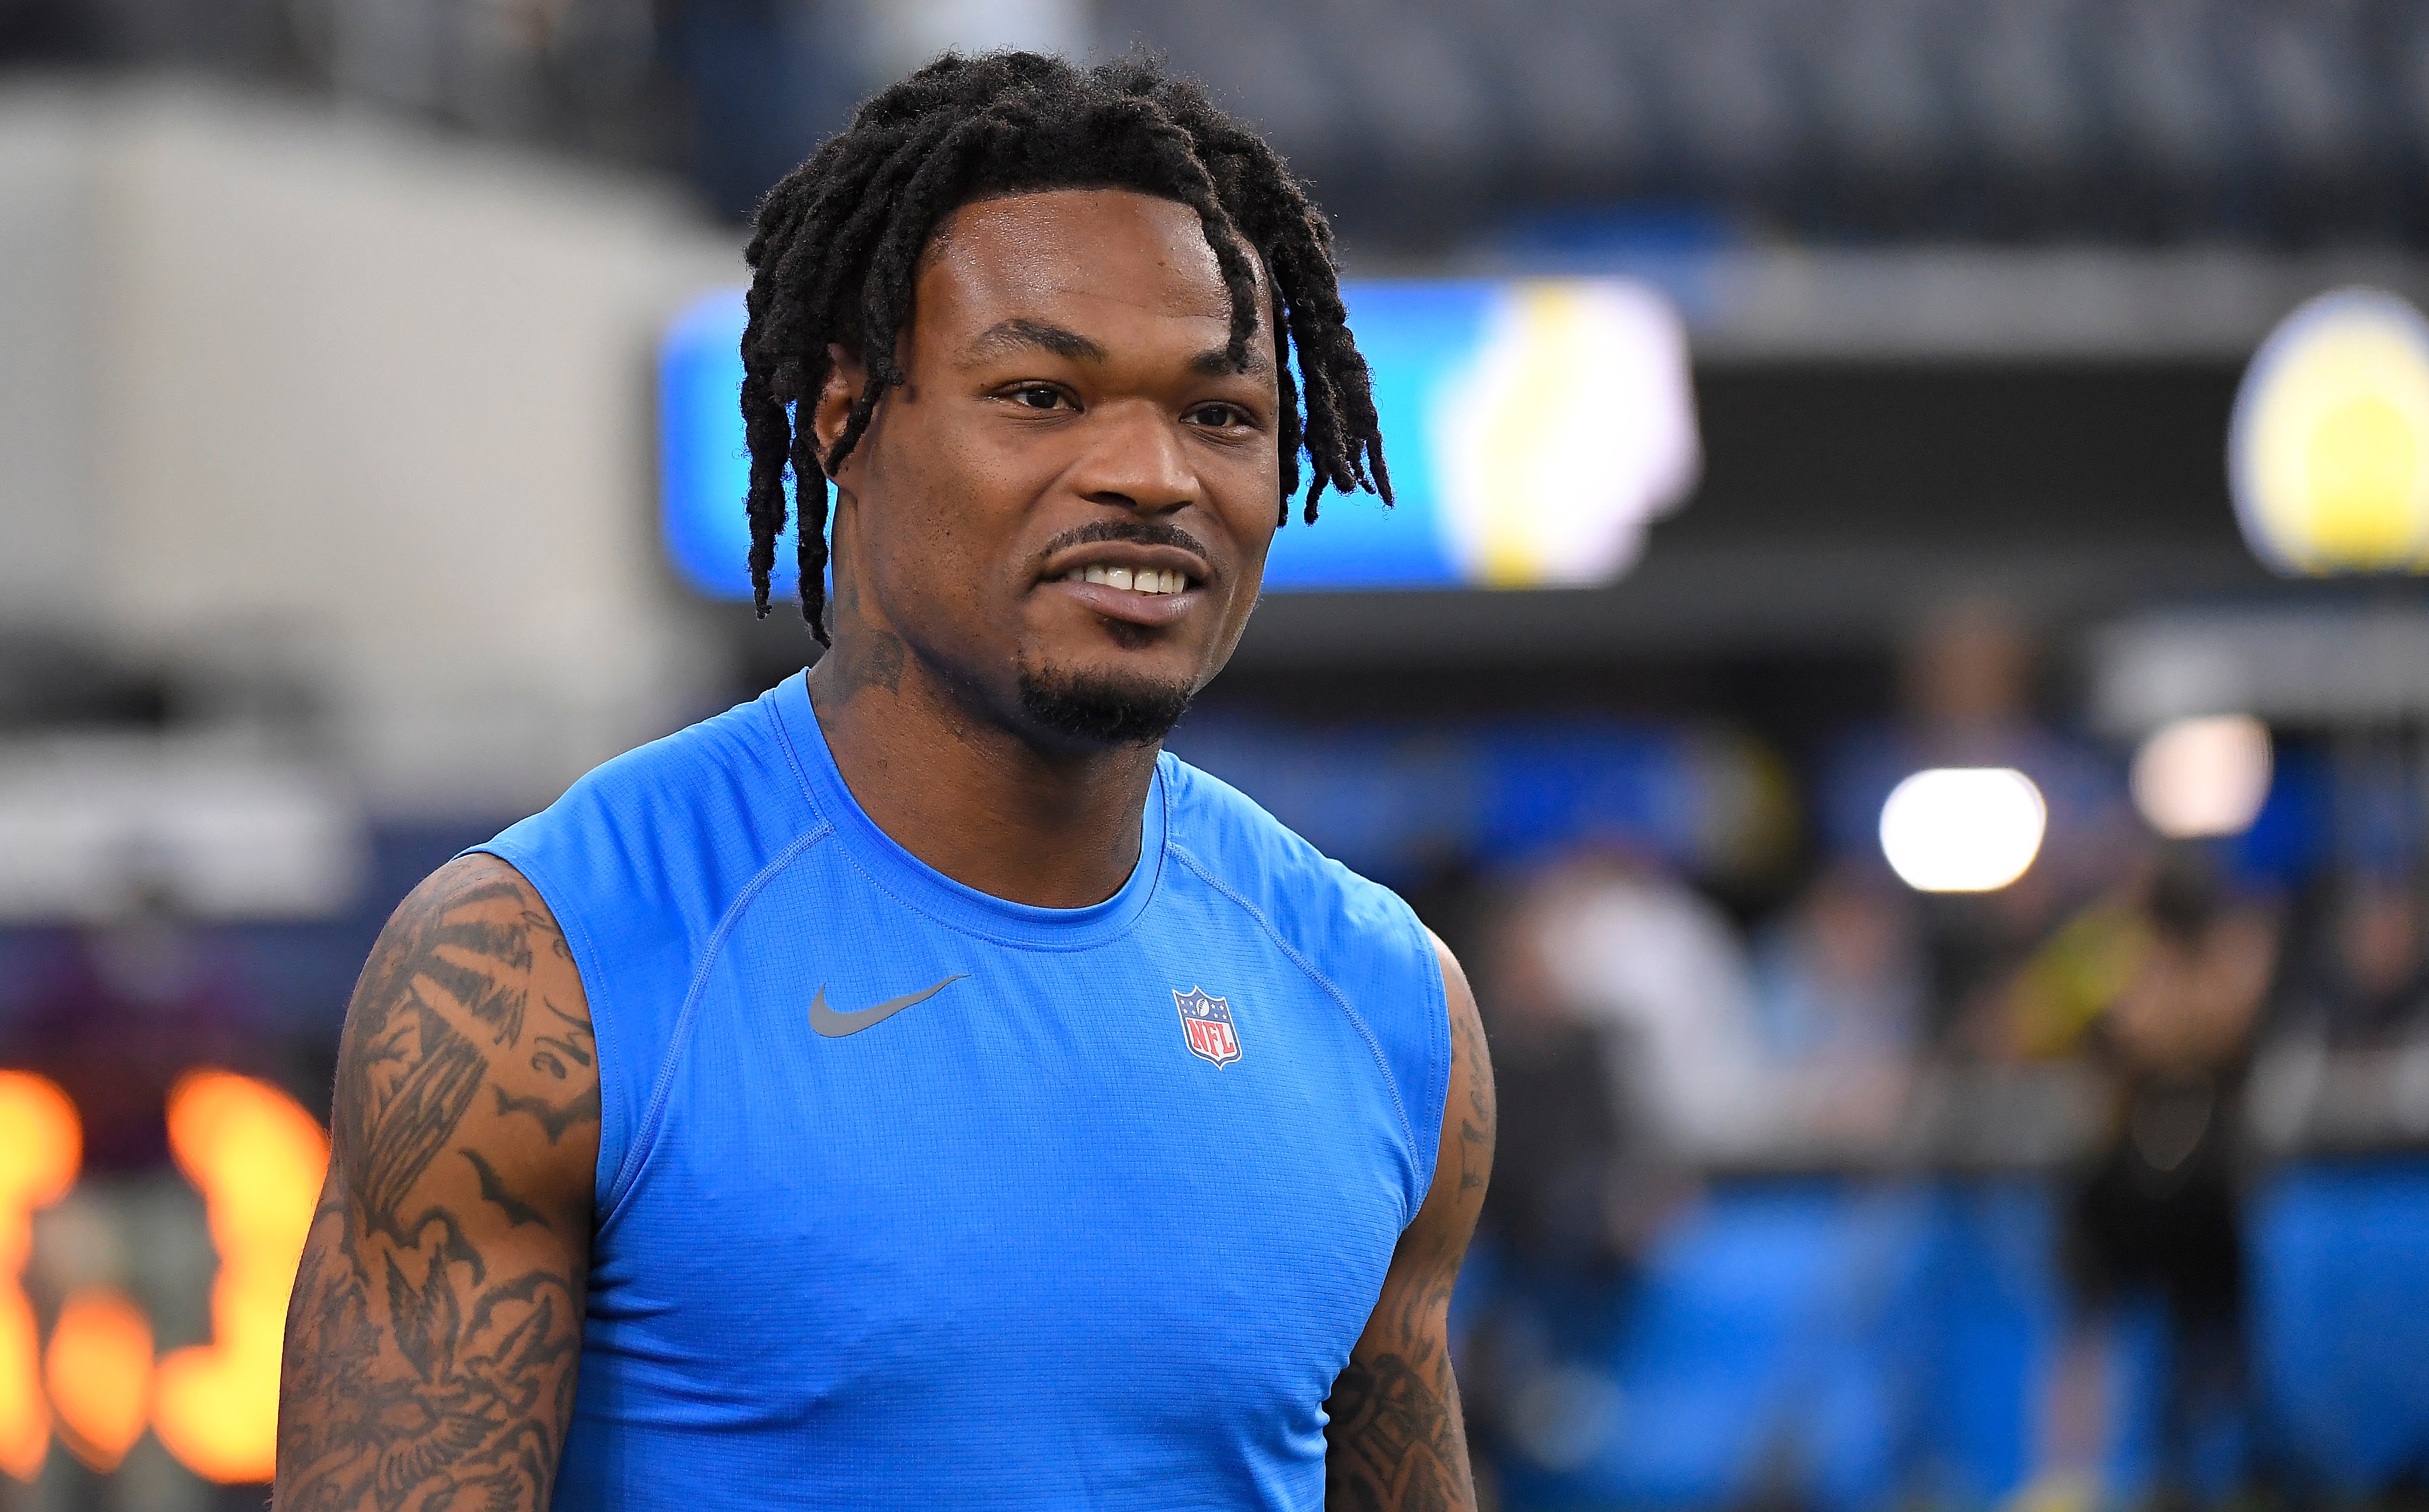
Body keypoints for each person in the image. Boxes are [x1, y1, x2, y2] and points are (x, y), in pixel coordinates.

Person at [272, 52, 1497, 1512]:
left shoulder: (1386, 1001)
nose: (1153, 474)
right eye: (1042, 395)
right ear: (842, 419)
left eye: (1220, 414)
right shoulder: (535, 970)